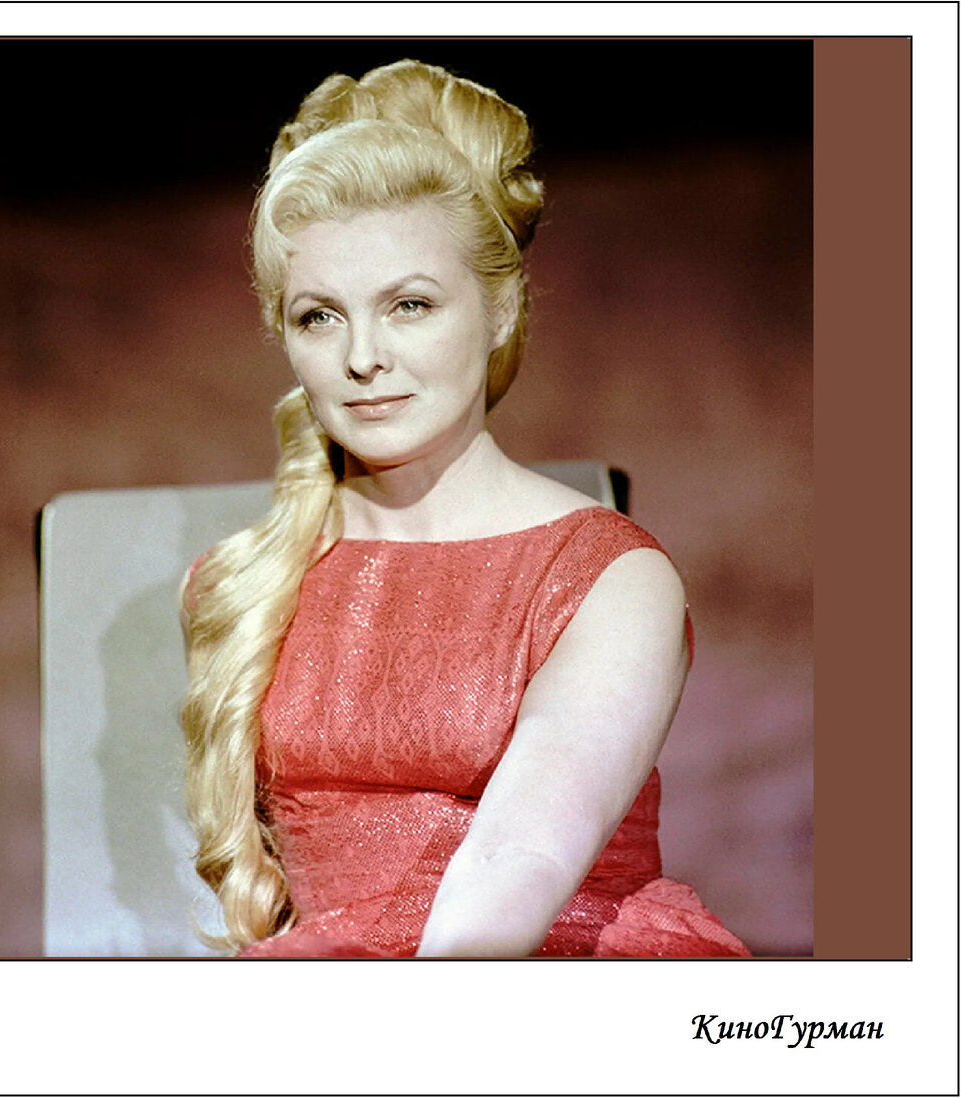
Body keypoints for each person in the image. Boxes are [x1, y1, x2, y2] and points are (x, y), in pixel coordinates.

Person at [180, 59, 749, 958]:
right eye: (319, 316)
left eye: (409, 305)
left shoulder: (610, 578)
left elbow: (515, 862)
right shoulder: (236, 588)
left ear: (500, 310)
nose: (362, 357)